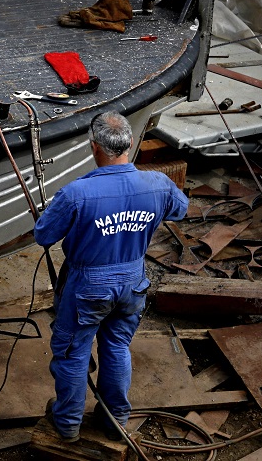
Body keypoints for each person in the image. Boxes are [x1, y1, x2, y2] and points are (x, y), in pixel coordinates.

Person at [34, 110, 188, 442]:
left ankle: (68, 424)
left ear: (94, 147)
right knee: (117, 347)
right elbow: (181, 209)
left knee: (74, 353)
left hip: (88, 286)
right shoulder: (158, 183)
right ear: (131, 143)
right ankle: (115, 420)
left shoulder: (76, 193)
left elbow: (43, 236)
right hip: (133, 282)